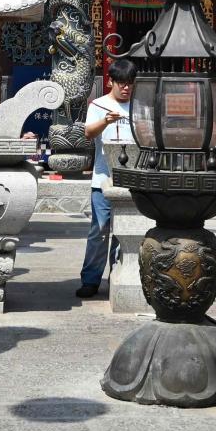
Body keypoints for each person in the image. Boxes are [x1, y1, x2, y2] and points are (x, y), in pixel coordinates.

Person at [77, 57, 137, 300]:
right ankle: (90, 279)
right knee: (100, 230)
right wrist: (105, 121)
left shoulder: (139, 106)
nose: (126, 88)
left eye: (130, 83)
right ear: (111, 81)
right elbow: (88, 133)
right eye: (121, 83)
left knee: (127, 231)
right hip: (103, 178)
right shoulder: (99, 105)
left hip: (131, 177)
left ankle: (118, 275)